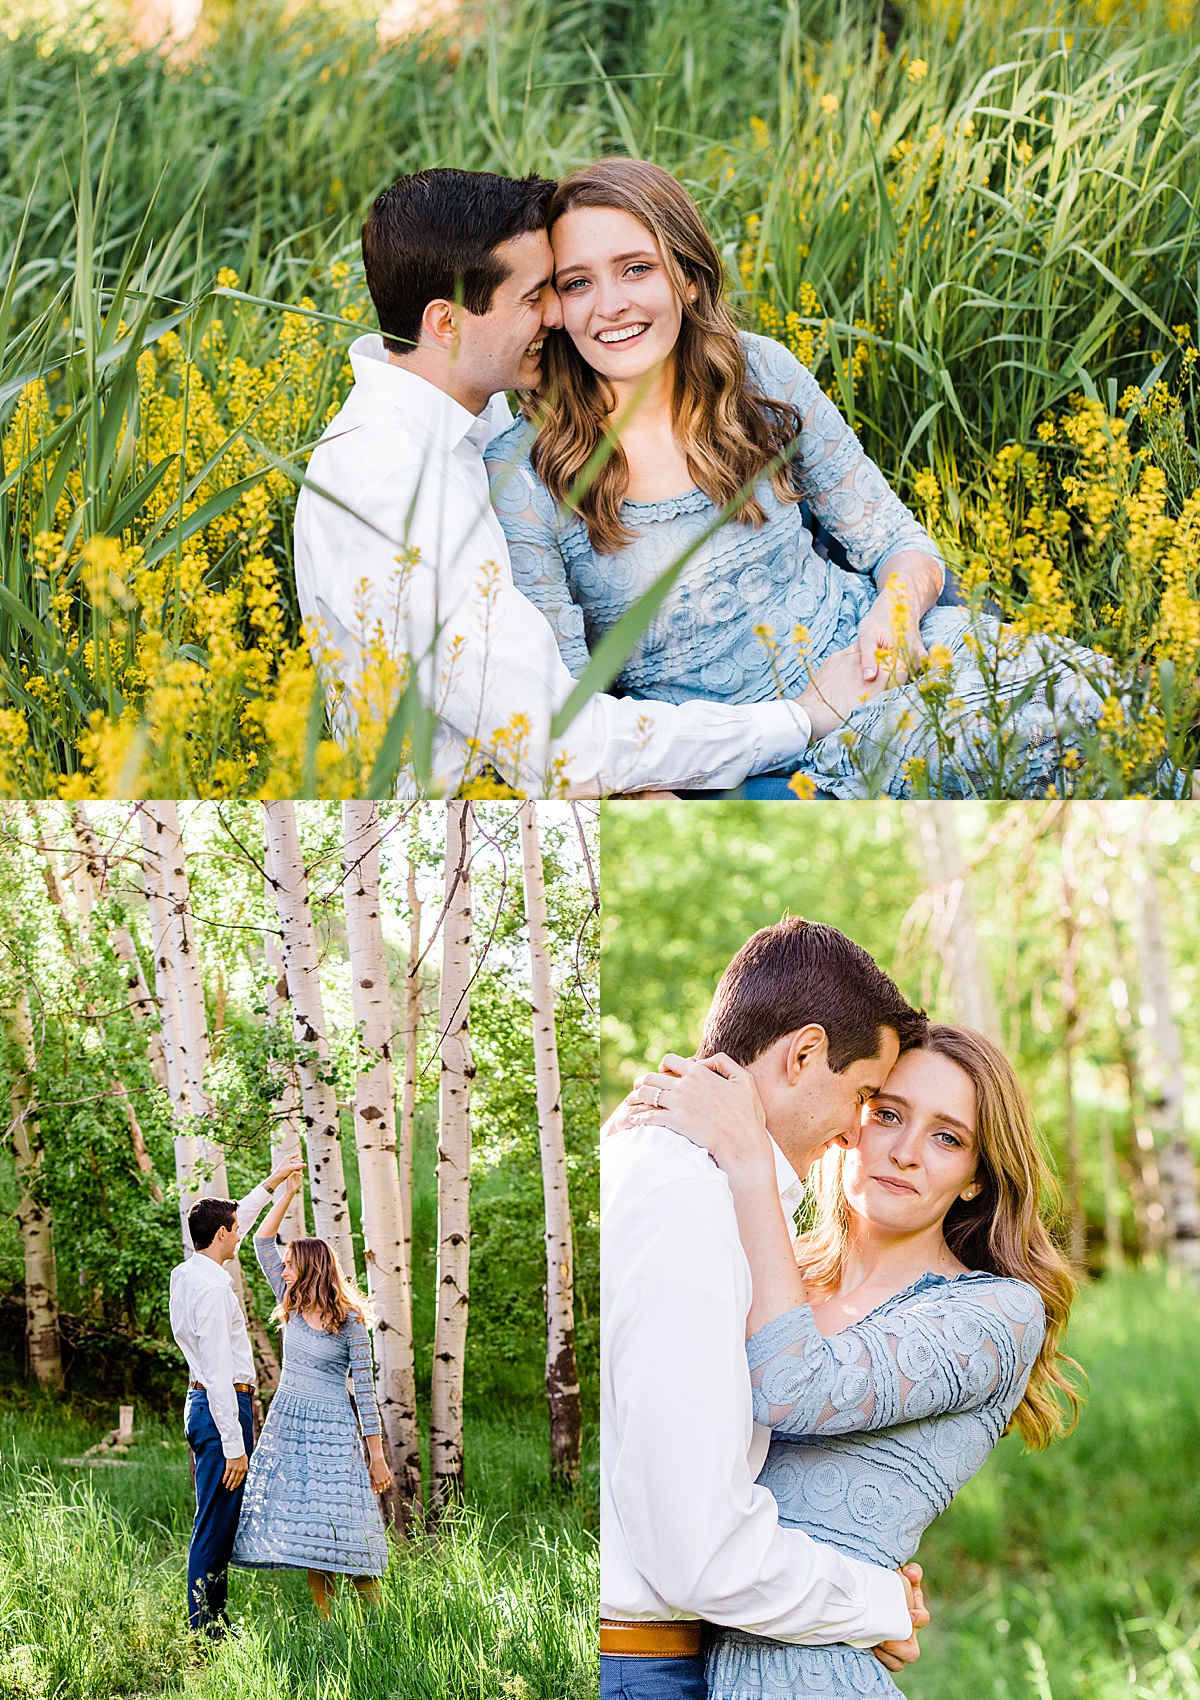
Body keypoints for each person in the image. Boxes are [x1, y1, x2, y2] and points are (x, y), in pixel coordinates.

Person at [486, 157, 1112, 800]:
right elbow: (572, 710)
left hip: (871, 658)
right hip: (736, 747)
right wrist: (652, 797)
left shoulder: (759, 374)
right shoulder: (524, 475)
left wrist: (893, 621)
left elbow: (899, 541)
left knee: (1090, 717)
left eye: (636, 269)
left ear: (689, 278)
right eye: (578, 282)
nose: (610, 305)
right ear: (554, 308)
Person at [293, 167, 893, 800]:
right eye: (535, 297)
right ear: (447, 325)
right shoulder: (396, 491)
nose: (557, 314)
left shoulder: (472, 411)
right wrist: (801, 717)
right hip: (490, 819)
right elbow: (561, 747)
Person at [622, 1019, 1081, 1698]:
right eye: (887, 1114)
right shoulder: (775, 1274)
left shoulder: (995, 1314)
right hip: (671, 1659)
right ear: (848, 1122)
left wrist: (751, 1158)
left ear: (977, 1177)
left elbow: (789, 1386)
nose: (904, 1152)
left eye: (947, 1137)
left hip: (805, 1678)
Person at [600, 919, 931, 1700]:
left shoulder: (645, 1166)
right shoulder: (692, 1204)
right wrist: (880, 1601)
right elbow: (699, 1550)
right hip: (640, 1666)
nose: (859, 1134)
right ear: (804, 1054)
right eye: (864, 1097)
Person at [231, 1168, 391, 1614]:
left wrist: (376, 1455)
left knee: (346, 1522)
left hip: (334, 1429)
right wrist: (286, 1192)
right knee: (309, 1527)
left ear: (310, 1267)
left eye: (290, 1262)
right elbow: (262, 1243)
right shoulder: (291, 1302)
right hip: (289, 1424)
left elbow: (365, 1391)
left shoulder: (351, 1323)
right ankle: (329, 1625)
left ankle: (378, 1625)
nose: (282, 1267)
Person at [168, 1151, 305, 1636]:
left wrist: (273, 1183)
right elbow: (221, 1372)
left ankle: (213, 1620)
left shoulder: (189, 1273)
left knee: (218, 1520)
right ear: (221, 1236)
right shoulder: (213, 1291)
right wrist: (234, 1446)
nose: (240, 1233)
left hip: (206, 1404)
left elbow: (236, 1218)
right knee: (214, 1523)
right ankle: (205, 1630)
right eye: (234, 1230)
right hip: (221, 1405)